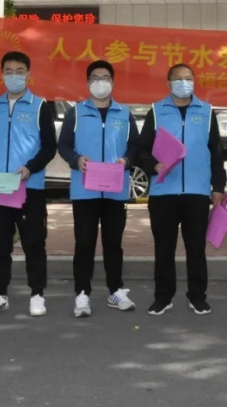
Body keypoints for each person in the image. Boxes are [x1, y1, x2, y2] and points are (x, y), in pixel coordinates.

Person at [136, 64, 227, 316]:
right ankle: (163, 297)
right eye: (178, 79)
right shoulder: (156, 111)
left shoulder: (206, 111)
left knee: (196, 249)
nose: (183, 83)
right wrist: (154, 165)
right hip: (163, 192)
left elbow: (216, 152)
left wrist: (218, 186)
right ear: (168, 84)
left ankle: (197, 296)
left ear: (194, 82)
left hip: (197, 192)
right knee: (164, 249)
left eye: (188, 78)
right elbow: (141, 150)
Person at [57, 60, 140, 317]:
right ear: (87, 82)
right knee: (84, 243)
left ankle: (116, 291)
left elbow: (136, 146)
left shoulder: (124, 113)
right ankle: (82, 294)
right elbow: (64, 145)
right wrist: (76, 159)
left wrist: (127, 160)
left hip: (115, 189)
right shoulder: (76, 112)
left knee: (113, 243)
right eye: (95, 78)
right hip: (85, 190)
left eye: (105, 77)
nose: (100, 82)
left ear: (113, 82)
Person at [0, 51, 57, 318]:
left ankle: (37, 295)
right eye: (9, 71)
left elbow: (49, 147)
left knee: (34, 243)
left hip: (29, 188)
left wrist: (29, 168)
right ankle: (0, 295)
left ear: (28, 74)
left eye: (19, 71)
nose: (14, 76)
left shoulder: (40, 106)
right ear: (2, 74)